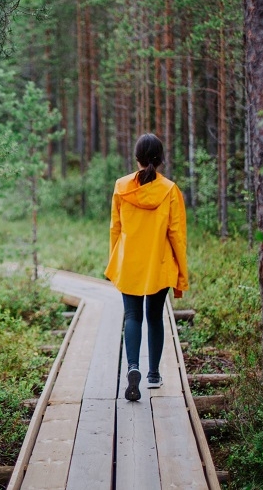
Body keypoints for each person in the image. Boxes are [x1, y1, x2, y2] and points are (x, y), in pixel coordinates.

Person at [105, 133, 189, 402]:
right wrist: (181, 275)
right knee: (154, 318)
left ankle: (132, 368)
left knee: (132, 316)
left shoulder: (121, 187)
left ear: (137, 157)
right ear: (160, 159)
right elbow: (177, 235)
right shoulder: (170, 190)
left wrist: (115, 262)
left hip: (129, 262)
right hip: (159, 264)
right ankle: (153, 375)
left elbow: (115, 228)